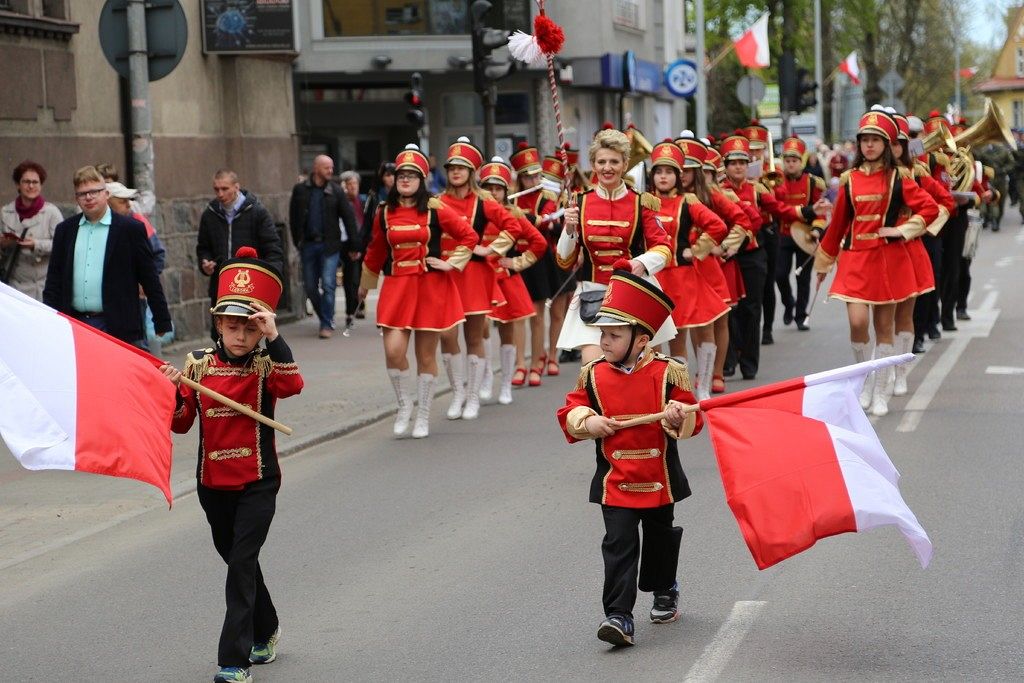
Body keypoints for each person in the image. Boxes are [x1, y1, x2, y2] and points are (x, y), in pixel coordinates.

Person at [161, 247, 303, 683]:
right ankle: (268, 627)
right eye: (231, 326)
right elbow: (182, 424)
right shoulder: (198, 366)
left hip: (258, 482)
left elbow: (293, 383)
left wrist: (275, 335)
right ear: (218, 324)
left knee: (241, 565)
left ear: (259, 332)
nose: (239, 336)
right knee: (239, 562)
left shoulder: (266, 364)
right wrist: (171, 391)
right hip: (212, 484)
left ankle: (233, 662)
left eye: (249, 328)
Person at [556, 270, 703, 647]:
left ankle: (665, 587)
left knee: (659, 539)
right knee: (618, 543)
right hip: (615, 479)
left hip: (659, 477)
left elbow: (693, 419)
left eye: (614, 335)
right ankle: (619, 616)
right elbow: (570, 413)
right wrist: (588, 421)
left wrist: (677, 417)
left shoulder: (670, 372)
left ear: (641, 339)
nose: (603, 341)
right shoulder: (592, 374)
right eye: (602, 334)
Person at [814, 108, 939, 417]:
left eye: (875, 140)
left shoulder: (899, 177)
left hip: (887, 260)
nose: (869, 145)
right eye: (864, 140)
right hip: (856, 260)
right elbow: (839, 224)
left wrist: (900, 230)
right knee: (857, 323)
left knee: (885, 327)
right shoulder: (849, 180)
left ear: (885, 143)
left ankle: (880, 392)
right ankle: (864, 381)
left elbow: (930, 209)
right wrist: (823, 263)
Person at [359, 144, 478, 438]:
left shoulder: (436, 208)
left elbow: (468, 236)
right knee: (393, 350)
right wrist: (364, 286)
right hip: (397, 286)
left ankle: (423, 414)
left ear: (422, 179)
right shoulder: (385, 211)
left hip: (430, 286)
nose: (405, 179)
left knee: (426, 356)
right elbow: (375, 250)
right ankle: (404, 405)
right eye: (401, 174)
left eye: (412, 175)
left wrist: (451, 264)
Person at [557, 125, 675, 365]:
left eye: (613, 161)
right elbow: (564, 260)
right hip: (593, 294)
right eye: (601, 162)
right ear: (593, 164)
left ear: (624, 164)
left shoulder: (643, 202)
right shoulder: (578, 202)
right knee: (593, 370)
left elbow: (664, 249)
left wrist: (639, 263)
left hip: (635, 291)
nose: (607, 168)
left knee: (645, 370)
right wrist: (569, 230)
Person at [436, 137, 530, 421]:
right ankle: (458, 393)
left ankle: (474, 396)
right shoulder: (437, 201)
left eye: (462, 168)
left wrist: (492, 249)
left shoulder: (483, 203)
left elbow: (512, 225)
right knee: (446, 335)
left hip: (476, 276)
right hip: (446, 276)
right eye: (452, 167)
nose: (456, 172)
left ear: (471, 172)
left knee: (474, 335)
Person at [720, 133, 820, 379]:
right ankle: (730, 358)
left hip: (753, 255)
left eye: (742, 163)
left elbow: (781, 209)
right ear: (726, 166)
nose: (738, 168)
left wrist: (809, 211)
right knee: (728, 310)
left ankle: (749, 363)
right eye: (733, 163)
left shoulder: (757, 190)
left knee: (752, 309)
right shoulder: (718, 191)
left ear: (747, 165)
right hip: (726, 257)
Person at [42, 165, 172, 345]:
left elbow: (149, 276)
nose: (89, 197)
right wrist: (49, 316)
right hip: (75, 322)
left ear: (106, 194)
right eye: (82, 193)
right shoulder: (65, 230)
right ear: (76, 198)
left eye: (94, 191)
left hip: (117, 324)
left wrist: (161, 319)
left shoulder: (130, 229)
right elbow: (54, 278)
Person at [648, 136, 728, 400]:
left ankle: (703, 387)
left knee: (704, 329)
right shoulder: (645, 202)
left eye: (669, 172)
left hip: (685, 278)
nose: (663, 177)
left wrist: (697, 249)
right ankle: (680, 392)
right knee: (675, 337)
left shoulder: (689, 201)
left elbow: (718, 226)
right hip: (658, 280)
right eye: (658, 171)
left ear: (678, 175)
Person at [479, 156, 548, 404]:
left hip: (504, 280)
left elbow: (539, 244)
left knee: (507, 332)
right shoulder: (475, 214)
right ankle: (485, 376)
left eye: (498, 188)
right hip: (478, 281)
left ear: (505, 191)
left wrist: (516, 263)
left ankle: (506, 382)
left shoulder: (513, 214)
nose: (493, 193)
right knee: (480, 329)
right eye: (488, 188)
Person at [200, 170, 284, 340]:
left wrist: (270, 278)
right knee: (220, 329)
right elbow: (203, 246)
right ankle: (222, 365)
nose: (220, 194)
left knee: (247, 328)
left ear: (236, 187)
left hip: (250, 282)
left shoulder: (256, 212)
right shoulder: (210, 214)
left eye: (225, 188)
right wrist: (205, 262)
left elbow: (272, 248)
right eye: (216, 189)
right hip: (222, 282)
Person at [511, 143, 566, 386]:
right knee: (516, 316)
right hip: (515, 258)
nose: (533, 180)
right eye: (528, 176)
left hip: (539, 261)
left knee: (536, 315)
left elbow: (545, 222)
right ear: (520, 179)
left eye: (536, 175)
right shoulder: (511, 198)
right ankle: (519, 365)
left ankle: (536, 363)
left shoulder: (548, 197)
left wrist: (522, 217)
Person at [287, 156, 356, 338]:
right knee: (310, 287)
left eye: (332, 168)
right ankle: (326, 316)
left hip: (330, 245)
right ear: (316, 168)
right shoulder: (301, 190)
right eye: (327, 168)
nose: (330, 171)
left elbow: (348, 217)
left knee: (328, 284)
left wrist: (354, 244)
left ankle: (326, 323)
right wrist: (297, 241)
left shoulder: (335, 191)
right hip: (308, 244)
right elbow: (293, 217)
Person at [106, 181, 171, 352]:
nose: (129, 205)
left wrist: (144, 282)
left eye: (129, 200)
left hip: (133, 300)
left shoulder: (137, 222)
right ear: (108, 202)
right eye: (123, 201)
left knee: (137, 347)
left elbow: (158, 254)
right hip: (105, 304)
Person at [773, 137, 828, 331]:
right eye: (787, 160)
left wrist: (816, 229)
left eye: (794, 161)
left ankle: (800, 314)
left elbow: (821, 211)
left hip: (805, 235)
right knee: (780, 274)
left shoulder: (813, 183)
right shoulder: (775, 181)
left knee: (803, 278)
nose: (790, 164)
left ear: (801, 162)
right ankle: (789, 303)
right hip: (783, 234)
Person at [1, 160, 63, 300]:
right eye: (26, 181)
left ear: (41, 185)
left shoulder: (51, 213)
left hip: (41, 287)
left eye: (35, 182)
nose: (31, 186)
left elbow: (62, 245)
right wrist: (4, 243)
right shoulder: (6, 212)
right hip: (14, 285)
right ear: (18, 185)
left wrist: (36, 244)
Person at [358, 162, 396, 320]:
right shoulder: (374, 197)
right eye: (387, 175)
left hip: (396, 245)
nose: (391, 179)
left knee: (391, 278)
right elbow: (367, 223)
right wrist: (360, 244)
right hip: (379, 241)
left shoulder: (404, 195)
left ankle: (392, 313)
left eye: (393, 175)